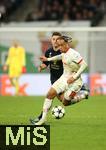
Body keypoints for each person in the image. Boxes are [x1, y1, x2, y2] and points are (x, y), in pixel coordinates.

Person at [34, 35, 88, 125]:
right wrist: (48, 59)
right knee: (49, 95)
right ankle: (43, 119)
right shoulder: (63, 53)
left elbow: (84, 65)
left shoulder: (74, 54)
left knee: (65, 102)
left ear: (66, 45)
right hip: (64, 78)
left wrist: (74, 77)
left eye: (60, 46)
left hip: (75, 82)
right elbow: (60, 56)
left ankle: (82, 96)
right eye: (58, 46)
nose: (59, 48)